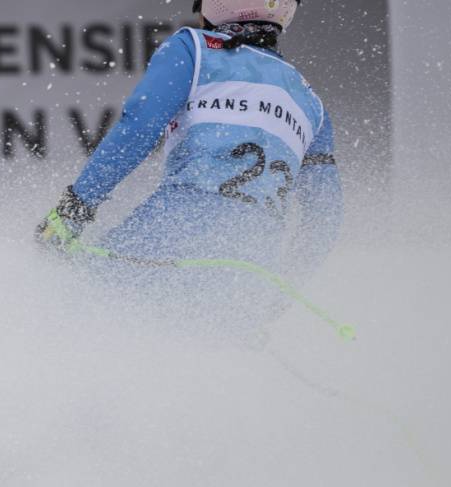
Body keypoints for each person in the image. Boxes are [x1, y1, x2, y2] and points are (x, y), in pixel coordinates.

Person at [37, 0, 343, 334]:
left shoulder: (192, 47)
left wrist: (76, 207)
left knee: (67, 318)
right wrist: (281, 288)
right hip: (252, 274)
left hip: (169, 237)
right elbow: (324, 217)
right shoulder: (313, 104)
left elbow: (139, 126)